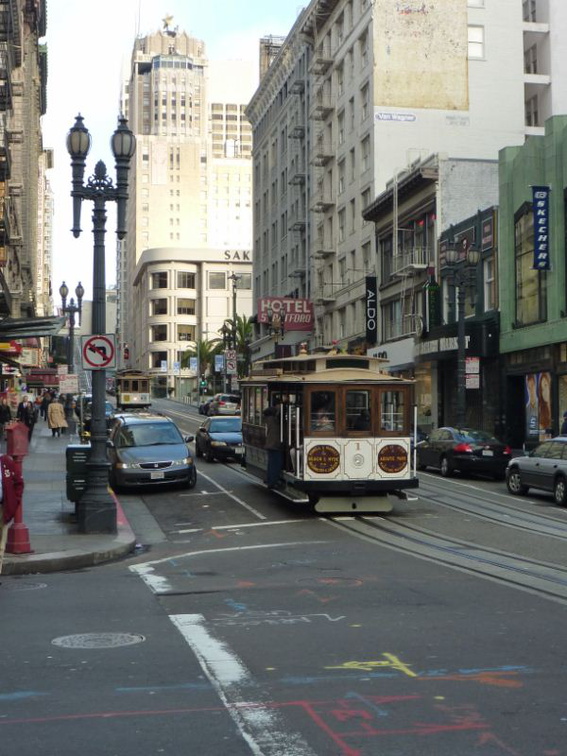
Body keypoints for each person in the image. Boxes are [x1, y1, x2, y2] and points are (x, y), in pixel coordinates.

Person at [0, 452, 25, 574]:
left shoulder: (6, 462)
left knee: (1, 546)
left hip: (3, 508)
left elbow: (18, 483)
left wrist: (14, 502)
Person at [264, 402, 283, 488]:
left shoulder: (269, 420)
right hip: (275, 445)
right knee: (276, 464)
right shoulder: (274, 421)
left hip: (270, 444)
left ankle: (269, 480)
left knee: (271, 464)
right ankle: (272, 482)